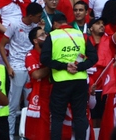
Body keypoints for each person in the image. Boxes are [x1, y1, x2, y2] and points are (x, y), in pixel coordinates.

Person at [41, 12, 98, 140]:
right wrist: (79, 67)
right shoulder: (81, 35)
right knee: (80, 117)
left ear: (55, 24)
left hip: (61, 81)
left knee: (57, 118)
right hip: (80, 81)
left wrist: (65, 66)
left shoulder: (52, 35)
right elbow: (94, 57)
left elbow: (44, 59)